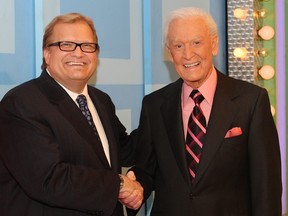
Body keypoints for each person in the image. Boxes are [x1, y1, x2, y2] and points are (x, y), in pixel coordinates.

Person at [128, 7, 282, 216]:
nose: (188, 54)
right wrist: (131, 186)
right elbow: (146, 170)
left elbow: (267, 187)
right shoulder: (154, 105)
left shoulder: (251, 101)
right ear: (170, 52)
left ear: (214, 44)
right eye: (178, 45)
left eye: (196, 42)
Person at [0, 13, 143, 216]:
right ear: (46, 54)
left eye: (87, 45)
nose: (78, 53)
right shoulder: (21, 103)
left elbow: (124, 150)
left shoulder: (101, 100)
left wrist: (168, 112)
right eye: (66, 45)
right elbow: (48, 179)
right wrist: (118, 184)